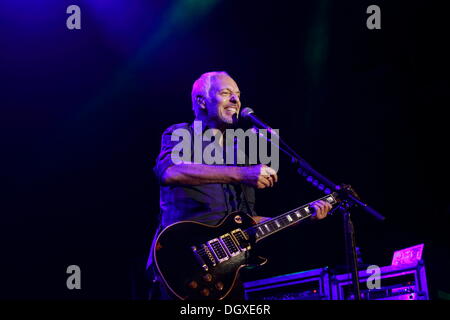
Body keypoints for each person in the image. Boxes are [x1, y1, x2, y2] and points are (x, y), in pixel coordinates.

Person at [146, 71, 332, 299]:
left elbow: (249, 221)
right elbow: (170, 172)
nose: (236, 100)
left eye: (238, 94)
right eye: (226, 93)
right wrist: (241, 174)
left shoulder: (241, 152)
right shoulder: (181, 133)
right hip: (182, 265)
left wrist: (304, 217)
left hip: (225, 275)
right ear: (202, 101)